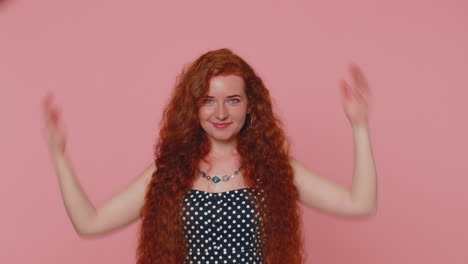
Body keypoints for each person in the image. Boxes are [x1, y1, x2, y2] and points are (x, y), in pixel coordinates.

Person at [43, 48, 378, 264]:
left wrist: (359, 127)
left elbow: (359, 204)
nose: (220, 112)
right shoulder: (169, 173)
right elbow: (90, 224)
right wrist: (60, 156)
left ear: (250, 106)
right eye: (208, 100)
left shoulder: (275, 169)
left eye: (233, 100)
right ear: (193, 107)